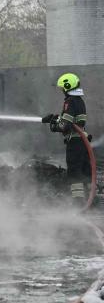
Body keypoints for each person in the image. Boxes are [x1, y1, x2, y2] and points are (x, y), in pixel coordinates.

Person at [42, 73, 91, 204]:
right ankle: (91, 200)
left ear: (67, 87)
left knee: (74, 172)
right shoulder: (80, 101)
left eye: (62, 88)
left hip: (75, 143)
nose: (62, 90)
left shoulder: (70, 102)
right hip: (83, 142)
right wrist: (55, 118)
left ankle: (78, 202)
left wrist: (53, 125)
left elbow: (65, 125)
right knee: (85, 170)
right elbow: (74, 121)